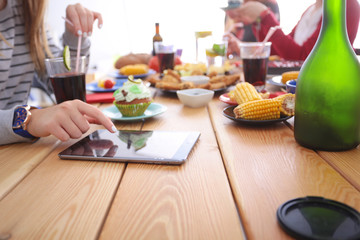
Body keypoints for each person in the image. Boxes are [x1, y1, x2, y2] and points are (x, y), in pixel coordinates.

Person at [0, 0, 116, 145]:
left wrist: (74, 35)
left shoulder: (27, 7)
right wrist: (29, 119)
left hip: (20, 147)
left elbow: (58, 80)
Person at [225, 0, 360, 60]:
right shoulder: (311, 9)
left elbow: (305, 57)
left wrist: (265, 16)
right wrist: (256, 21)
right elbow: (280, 49)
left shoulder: (346, 4)